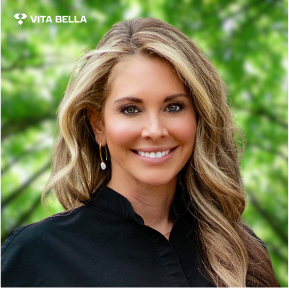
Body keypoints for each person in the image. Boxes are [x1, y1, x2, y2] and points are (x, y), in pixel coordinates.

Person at [0, 17, 279, 288]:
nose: (155, 130)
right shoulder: (37, 255)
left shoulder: (240, 248)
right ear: (98, 124)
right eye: (130, 109)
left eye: (174, 107)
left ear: (198, 117)